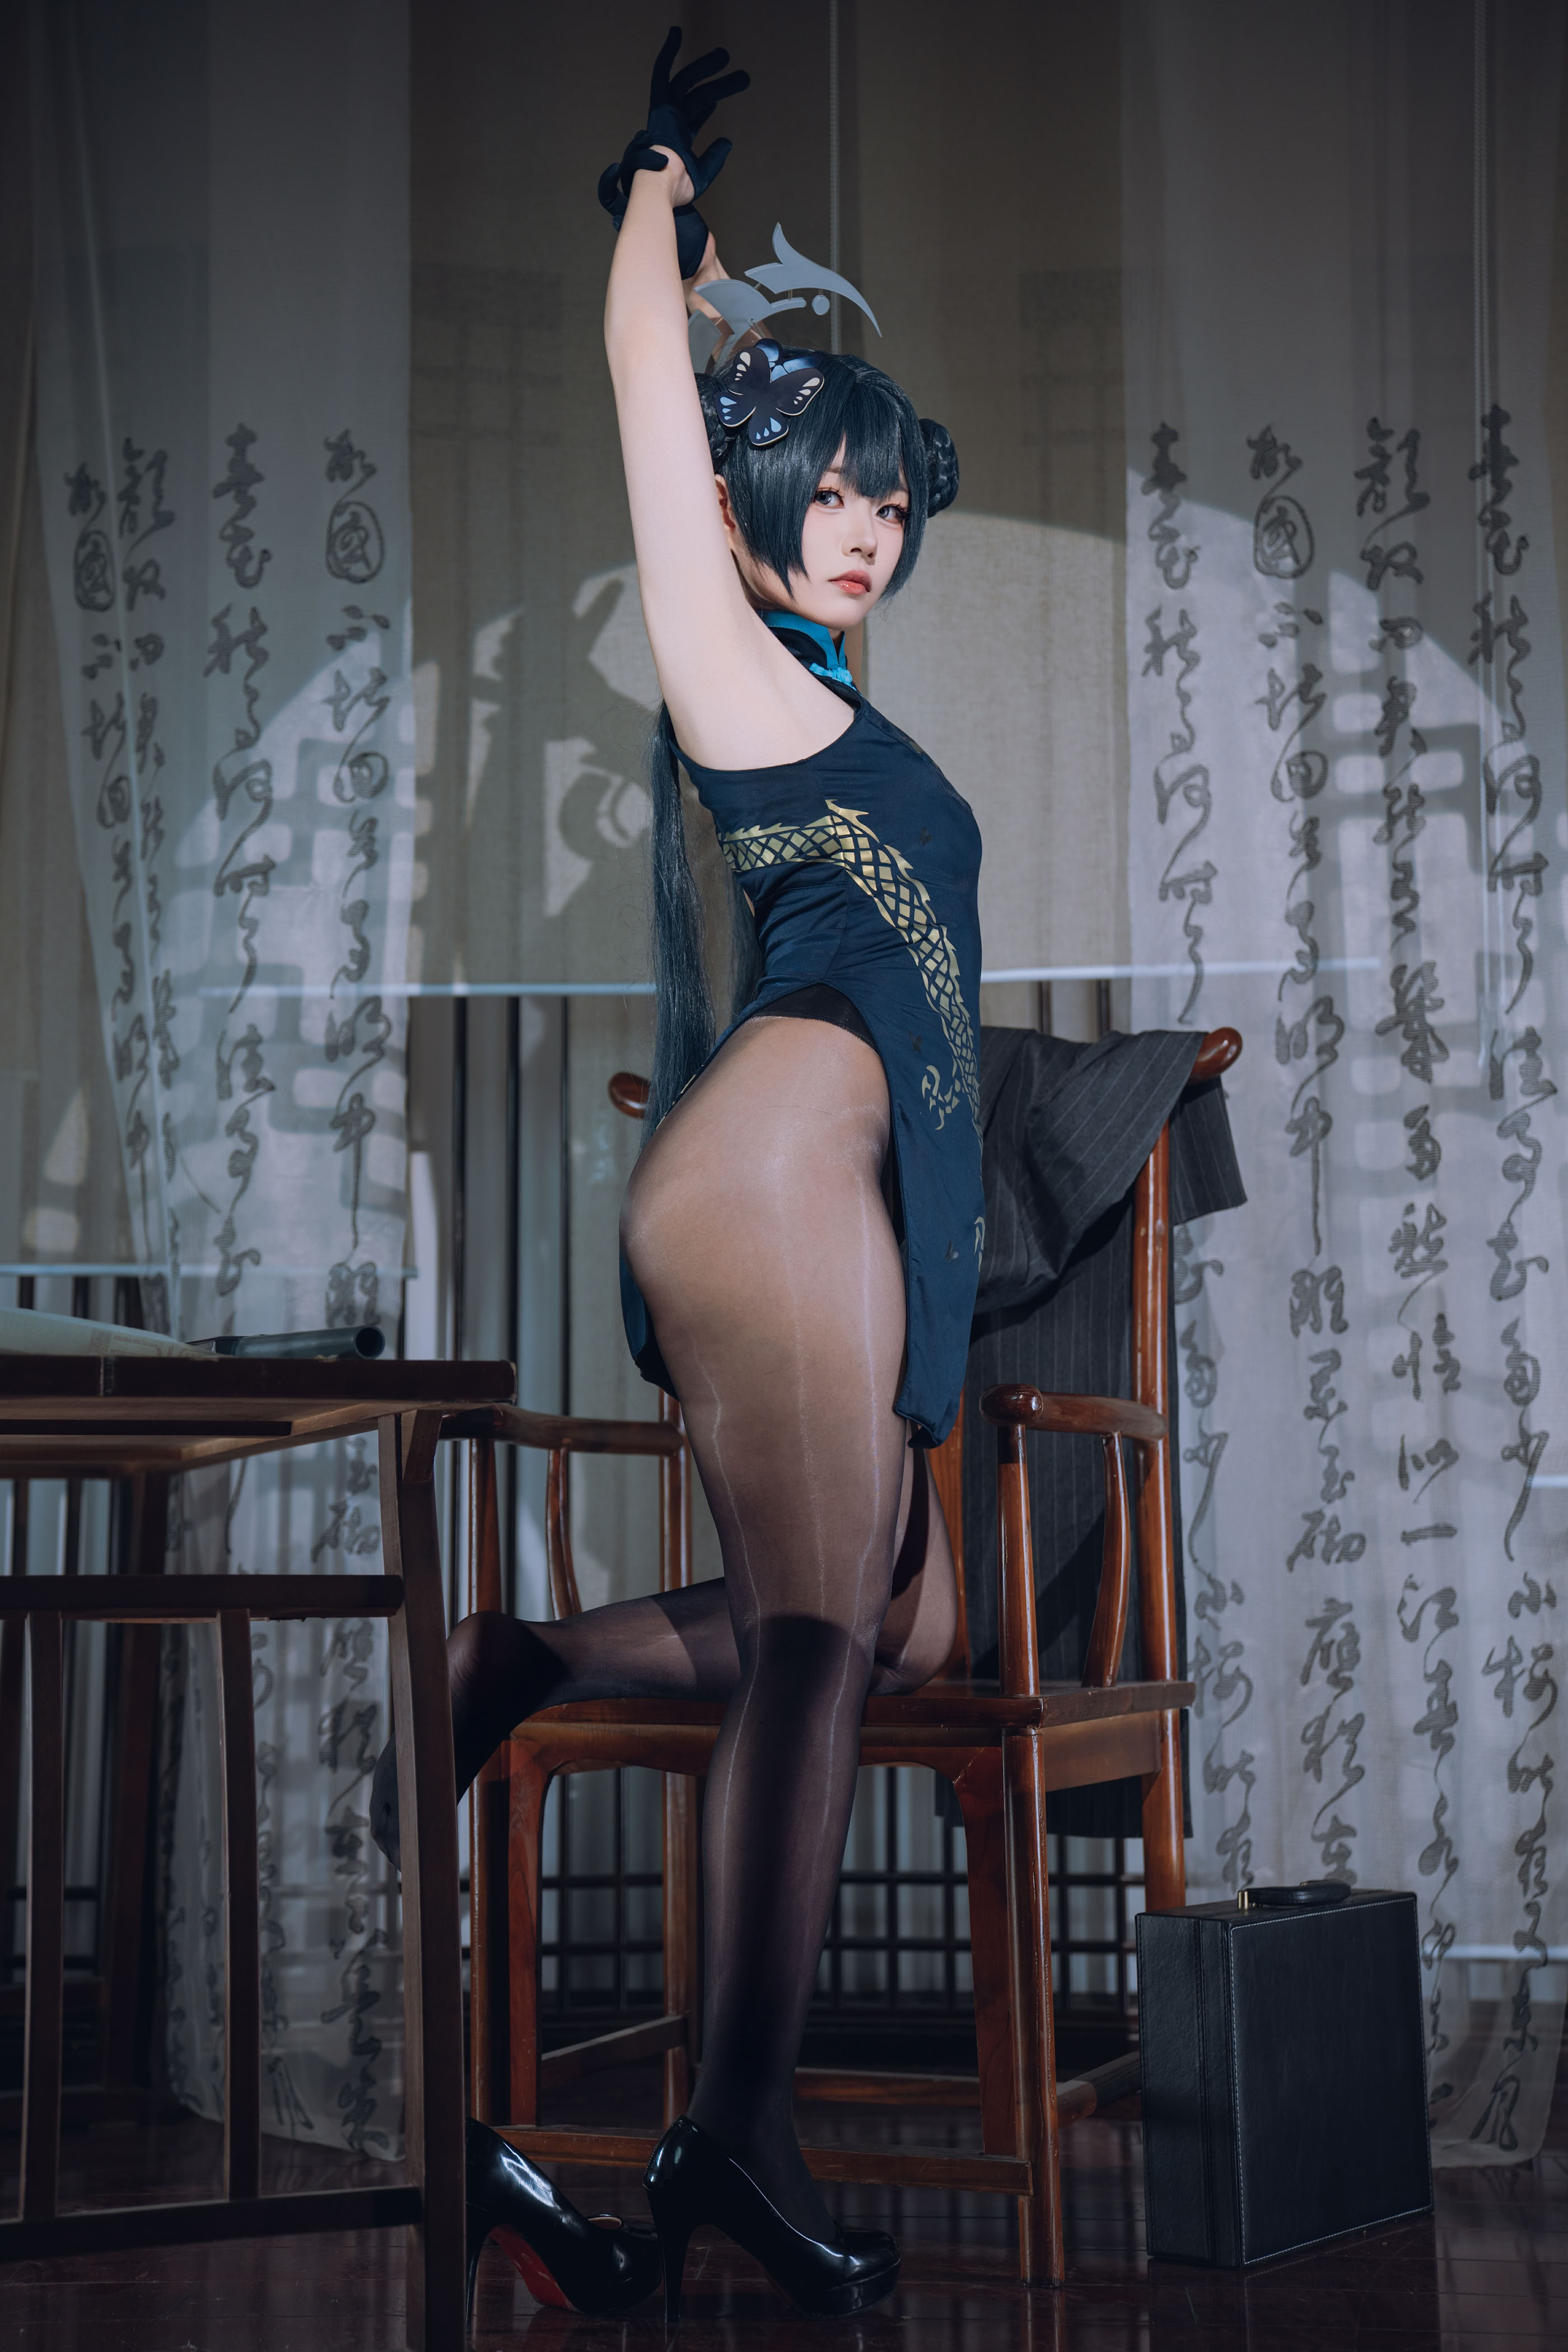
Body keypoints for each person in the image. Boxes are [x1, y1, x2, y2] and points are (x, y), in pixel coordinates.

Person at [371, 31, 982, 2323]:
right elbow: (655, 378)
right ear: (748, 510)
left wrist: (725, 275)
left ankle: (521, 1657)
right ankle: (731, 2131)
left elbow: (711, 358)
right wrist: (649, 189)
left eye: (891, 501)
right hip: (772, 1172)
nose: (870, 525)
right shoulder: (734, 677)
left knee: (907, 1624)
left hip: (827, 1188)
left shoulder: (833, 699)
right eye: (834, 490)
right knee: (819, 1639)